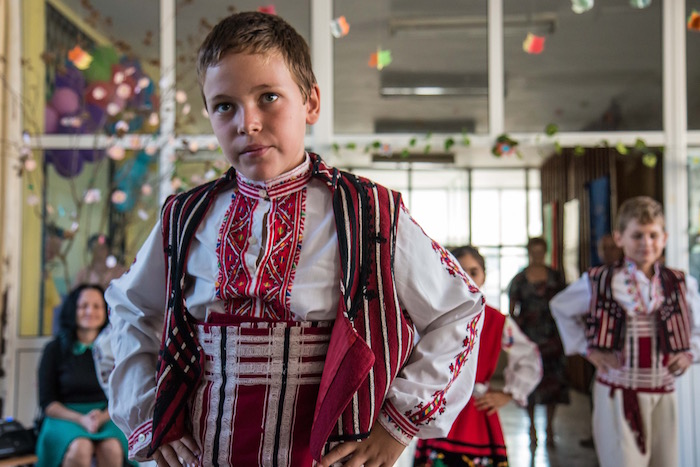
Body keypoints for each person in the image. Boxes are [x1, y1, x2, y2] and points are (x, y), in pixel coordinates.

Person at [105, 11, 485, 467]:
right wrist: (148, 417)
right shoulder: (185, 216)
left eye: (268, 97)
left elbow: (460, 310)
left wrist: (397, 425)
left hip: (325, 453)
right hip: (204, 453)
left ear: (310, 103)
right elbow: (131, 309)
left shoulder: (369, 213)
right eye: (224, 106)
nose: (247, 123)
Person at [550, 196, 700, 467]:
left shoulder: (679, 283)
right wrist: (588, 349)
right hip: (618, 392)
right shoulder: (599, 281)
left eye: (653, 235)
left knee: (665, 462)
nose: (646, 243)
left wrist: (690, 353)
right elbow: (560, 307)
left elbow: (697, 326)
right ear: (620, 238)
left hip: (664, 390)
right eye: (637, 236)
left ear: (664, 237)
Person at [414, 246, 542, 467]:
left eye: (473, 272)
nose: (466, 277)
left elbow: (528, 357)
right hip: (440, 410)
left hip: (477, 410)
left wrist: (509, 393)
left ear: (483, 276)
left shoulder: (497, 321)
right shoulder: (433, 318)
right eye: (459, 270)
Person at [36, 284, 131, 467]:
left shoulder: (116, 349)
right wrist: (81, 419)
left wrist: (102, 417)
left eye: (97, 306)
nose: (90, 311)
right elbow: (47, 403)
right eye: (83, 306)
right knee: (81, 447)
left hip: (106, 416)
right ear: (73, 310)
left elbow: (124, 395)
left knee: (112, 448)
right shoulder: (54, 350)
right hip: (64, 418)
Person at [507, 237, 568, 447]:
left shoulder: (556, 277)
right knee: (529, 381)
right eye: (534, 252)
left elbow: (566, 304)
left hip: (552, 336)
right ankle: (531, 426)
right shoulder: (519, 280)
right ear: (529, 252)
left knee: (553, 384)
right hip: (529, 338)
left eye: (541, 252)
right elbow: (512, 311)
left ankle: (550, 427)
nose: (537, 256)